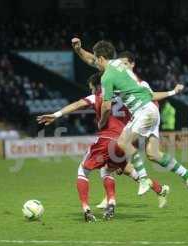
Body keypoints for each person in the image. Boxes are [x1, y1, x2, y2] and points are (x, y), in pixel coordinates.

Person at [72, 38, 188, 197]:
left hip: (143, 110)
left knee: (123, 142)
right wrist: (79, 50)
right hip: (151, 110)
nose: (95, 62)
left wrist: (102, 121)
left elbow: (106, 106)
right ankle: (187, 174)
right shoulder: (120, 65)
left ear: (102, 58)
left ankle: (144, 178)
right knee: (153, 154)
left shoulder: (107, 78)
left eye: (97, 59)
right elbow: (91, 59)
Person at [38, 73, 169, 221]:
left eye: (92, 88)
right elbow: (148, 102)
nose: (92, 91)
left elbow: (77, 105)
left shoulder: (98, 96)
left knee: (83, 170)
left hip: (106, 140)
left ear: (97, 87)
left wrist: (55, 115)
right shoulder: (125, 97)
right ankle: (152, 191)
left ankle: (86, 210)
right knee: (112, 169)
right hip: (124, 142)